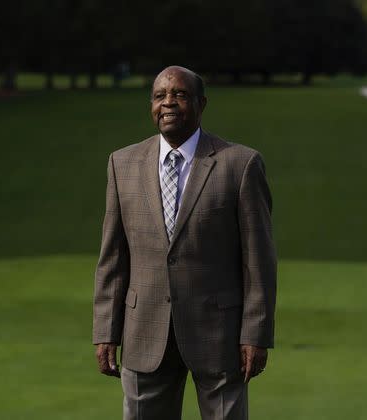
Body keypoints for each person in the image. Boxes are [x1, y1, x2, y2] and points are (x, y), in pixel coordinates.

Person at [92, 65, 277, 420]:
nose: (168, 103)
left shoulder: (240, 164)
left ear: (201, 104)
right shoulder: (122, 164)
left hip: (220, 337)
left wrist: (256, 333)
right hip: (143, 330)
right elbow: (112, 258)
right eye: (160, 96)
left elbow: (259, 260)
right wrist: (106, 330)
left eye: (179, 95)